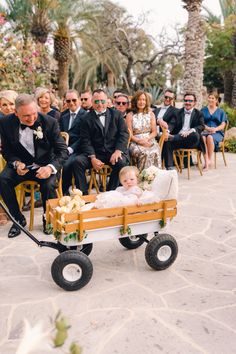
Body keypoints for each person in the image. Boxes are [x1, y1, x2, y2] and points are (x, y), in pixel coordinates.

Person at [0, 94, 68, 237]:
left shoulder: (50, 122)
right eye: (26, 116)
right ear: (16, 113)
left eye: (33, 114)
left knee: (48, 185)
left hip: (46, 164)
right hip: (22, 165)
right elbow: (7, 150)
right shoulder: (6, 123)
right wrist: (16, 163)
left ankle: (48, 219)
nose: (31, 119)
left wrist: (50, 168)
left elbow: (62, 151)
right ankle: (18, 219)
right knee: (3, 180)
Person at [73, 89, 129, 194]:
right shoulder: (85, 118)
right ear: (92, 102)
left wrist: (118, 151)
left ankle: (110, 194)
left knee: (121, 163)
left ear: (107, 101)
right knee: (77, 162)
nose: (100, 104)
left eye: (102, 101)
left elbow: (124, 134)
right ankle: (84, 196)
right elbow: (85, 140)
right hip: (95, 153)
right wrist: (93, 158)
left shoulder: (116, 114)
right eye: (96, 101)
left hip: (113, 152)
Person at [162, 93, 205, 169]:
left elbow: (201, 126)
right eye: (186, 100)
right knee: (167, 141)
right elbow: (172, 124)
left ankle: (174, 137)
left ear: (194, 102)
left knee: (195, 134)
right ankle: (169, 167)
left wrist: (190, 131)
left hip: (191, 141)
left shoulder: (199, 113)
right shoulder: (177, 112)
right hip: (179, 142)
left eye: (190, 101)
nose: (188, 102)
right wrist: (167, 132)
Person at [59, 89, 88, 195]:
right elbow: (60, 133)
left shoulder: (86, 115)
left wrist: (70, 149)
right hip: (65, 148)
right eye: (68, 101)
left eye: (74, 100)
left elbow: (84, 137)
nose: (71, 103)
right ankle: (58, 192)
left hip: (80, 149)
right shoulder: (63, 115)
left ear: (80, 100)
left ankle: (65, 192)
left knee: (66, 164)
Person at [126, 90, 161, 171]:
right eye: (139, 99)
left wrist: (147, 139)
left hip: (149, 139)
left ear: (146, 101)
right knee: (144, 153)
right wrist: (139, 141)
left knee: (155, 150)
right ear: (135, 101)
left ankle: (154, 176)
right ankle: (143, 177)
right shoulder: (130, 115)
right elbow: (130, 134)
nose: (141, 102)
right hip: (135, 142)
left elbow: (154, 132)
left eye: (144, 100)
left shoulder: (151, 114)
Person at [201, 92, 226, 170]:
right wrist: (207, 128)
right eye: (209, 97)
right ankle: (207, 161)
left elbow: (223, 124)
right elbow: (200, 123)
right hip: (205, 130)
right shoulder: (203, 110)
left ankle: (209, 160)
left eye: (213, 98)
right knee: (203, 138)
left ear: (216, 100)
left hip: (217, 132)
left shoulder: (221, 111)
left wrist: (215, 129)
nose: (210, 100)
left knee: (210, 137)